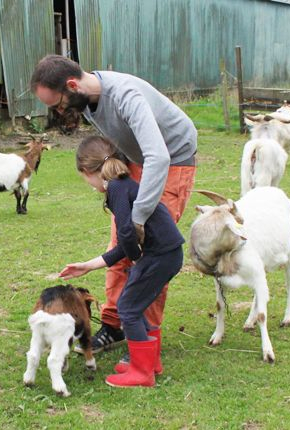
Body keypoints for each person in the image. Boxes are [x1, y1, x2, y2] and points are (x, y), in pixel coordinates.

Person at [31, 55, 197, 367]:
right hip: (135, 158)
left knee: (149, 254)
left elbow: (158, 156)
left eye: (58, 104)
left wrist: (138, 218)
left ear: (71, 85)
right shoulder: (88, 102)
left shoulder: (123, 96)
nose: (58, 112)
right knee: (120, 246)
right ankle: (115, 324)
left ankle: (147, 338)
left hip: (170, 159)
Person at [60, 136, 184, 388]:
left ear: (87, 171)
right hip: (167, 254)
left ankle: (141, 372)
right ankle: (150, 363)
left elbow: (126, 234)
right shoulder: (123, 184)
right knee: (134, 305)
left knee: (127, 307)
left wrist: (137, 259)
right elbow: (123, 242)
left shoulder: (115, 188)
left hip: (159, 256)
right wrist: (89, 265)